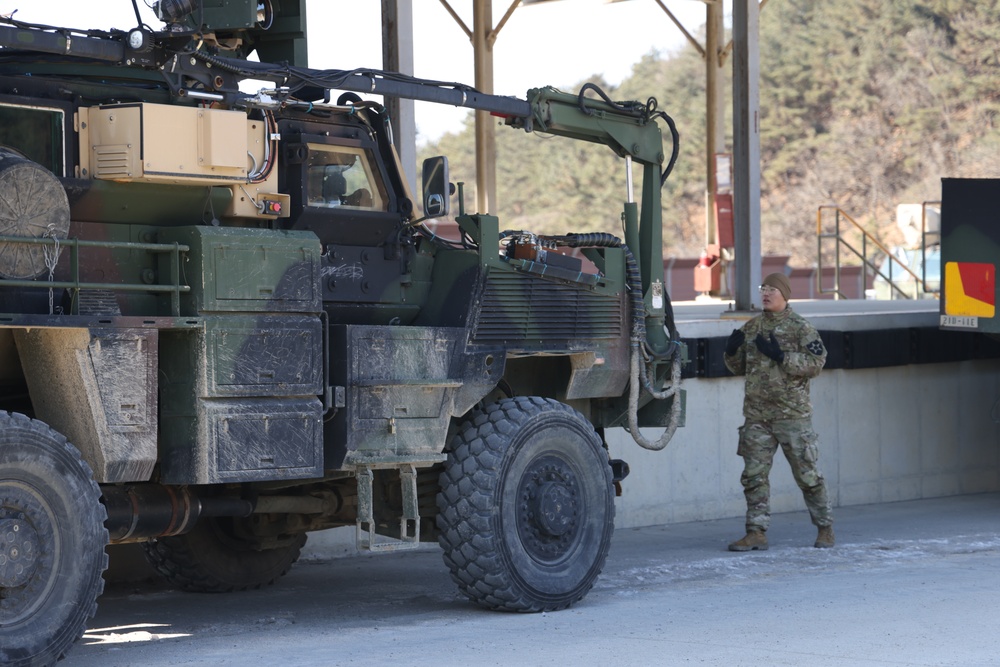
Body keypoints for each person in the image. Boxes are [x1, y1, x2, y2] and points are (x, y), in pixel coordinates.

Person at [723, 272, 834, 551]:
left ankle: (825, 528)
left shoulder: (800, 328)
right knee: (753, 477)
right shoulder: (752, 327)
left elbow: (816, 363)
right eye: (764, 288)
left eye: (773, 289)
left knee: (807, 476)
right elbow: (738, 368)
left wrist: (781, 356)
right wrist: (731, 352)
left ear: (785, 295)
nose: (766, 293)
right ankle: (756, 532)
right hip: (758, 416)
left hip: (792, 416)